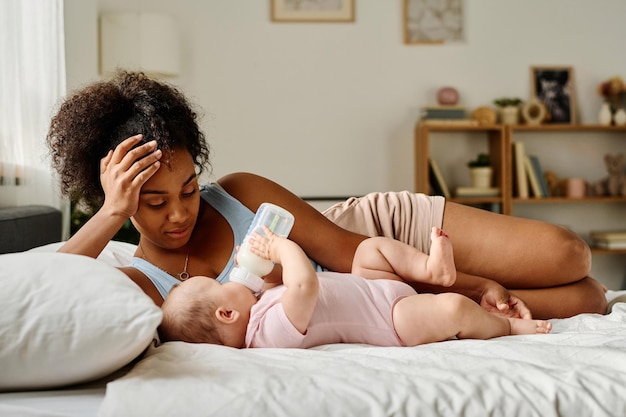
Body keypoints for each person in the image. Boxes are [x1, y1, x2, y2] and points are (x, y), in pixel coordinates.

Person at [46, 71, 606, 320]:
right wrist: (111, 212)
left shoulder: (239, 194)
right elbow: (49, 294)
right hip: (389, 299)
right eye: (152, 201)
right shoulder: (143, 283)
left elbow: (350, 254)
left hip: (381, 240)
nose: (179, 212)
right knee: (590, 299)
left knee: (569, 254)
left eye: (188, 189)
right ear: (116, 197)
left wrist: (472, 285)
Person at [159, 225, 552, 348]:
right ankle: (506, 326)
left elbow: (285, 284)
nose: (229, 277)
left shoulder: (258, 303)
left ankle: (433, 270)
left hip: (371, 287)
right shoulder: (267, 336)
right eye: (220, 283)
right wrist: (280, 247)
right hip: (392, 321)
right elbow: (304, 286)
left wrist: (263, 271)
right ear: (227, 313)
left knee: (370, 250)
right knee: (452, 310)